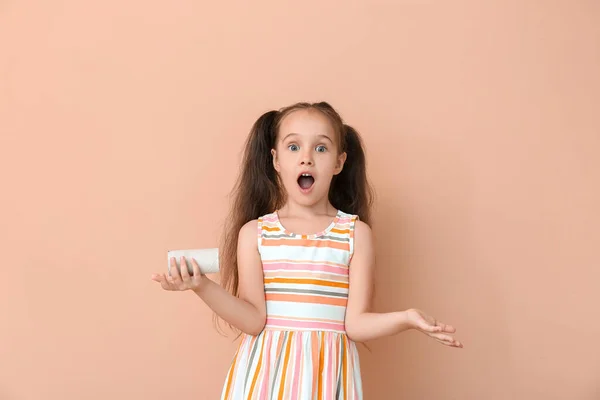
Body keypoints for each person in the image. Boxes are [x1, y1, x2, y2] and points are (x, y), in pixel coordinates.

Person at [151, 101, 463, 399]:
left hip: (325, 382)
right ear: (275, 160)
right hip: (263, 381)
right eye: (294, 146)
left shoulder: (355, 234)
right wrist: (200, 285)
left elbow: (355, 324)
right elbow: (252, 319)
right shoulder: (255, 234)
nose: (307, 158)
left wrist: (407, 318)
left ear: (339, 162)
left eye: (321, 147)